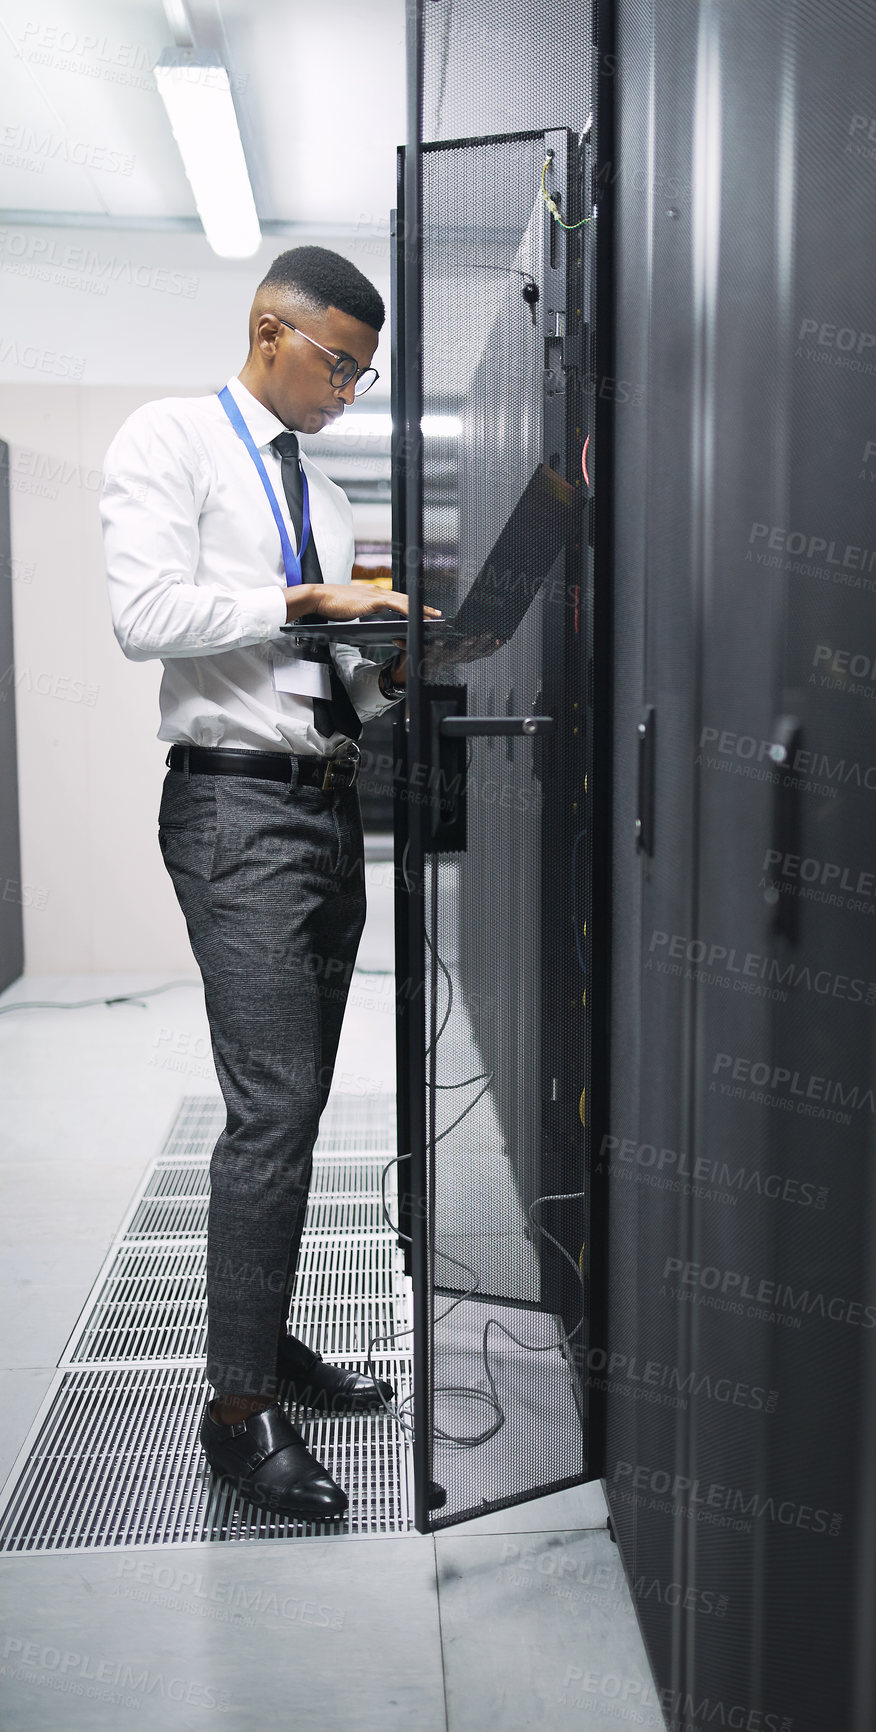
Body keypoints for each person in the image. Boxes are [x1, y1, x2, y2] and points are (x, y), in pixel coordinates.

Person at [101, 246, 437, 1520]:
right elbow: (146, 613)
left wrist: (389, 662)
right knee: (274, 1106)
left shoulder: (335, 502)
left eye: (363, 372)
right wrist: (298, 595)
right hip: (233, 808)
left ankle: (263, 1341)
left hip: (325, 803)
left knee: (294, 1110)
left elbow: (327, 674)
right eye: (338, 363)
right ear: (268, 333)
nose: (349, 391)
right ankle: (235, 1414)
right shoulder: (171, 439)